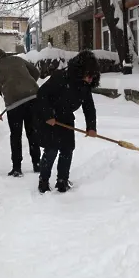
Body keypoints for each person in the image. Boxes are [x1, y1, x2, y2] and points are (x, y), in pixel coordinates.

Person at [36, 50, 100, 194]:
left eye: (93, 76)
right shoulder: (60, 77)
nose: (90, 79)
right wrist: (48, 115)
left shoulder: (85, 86)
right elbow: (42, 94)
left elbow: (89, 107)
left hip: (66, 119)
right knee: (51, 150)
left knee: (67, 149)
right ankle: (43, 181)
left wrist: (91, 127)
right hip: (50, 118)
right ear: (80, 70)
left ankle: (62, 180)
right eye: (89, 74)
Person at [0, 47, 41, 177]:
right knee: (32, 132)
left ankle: (17, 168)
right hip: (33, 99)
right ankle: (37, 163)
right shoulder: (17, 59)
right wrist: (28, 84)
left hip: (14, 104)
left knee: (15, 136)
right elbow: (36, 72)